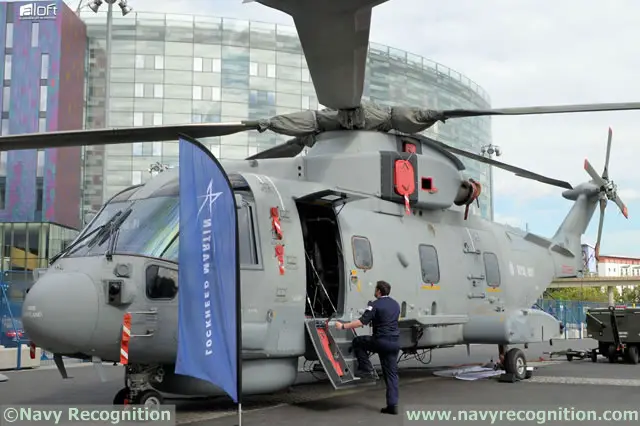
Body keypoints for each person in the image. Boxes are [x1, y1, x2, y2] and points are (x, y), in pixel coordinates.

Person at [335, 280, 400, 415]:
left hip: (381, 341)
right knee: (392, 375)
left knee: (358, 342)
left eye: (376, 289)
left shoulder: (374, 305)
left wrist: (342, 326)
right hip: (394, 343)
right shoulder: (395, 304)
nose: (375, 291)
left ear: (379, 291)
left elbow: (361, 322)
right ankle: (392, 405)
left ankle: (366, 369)